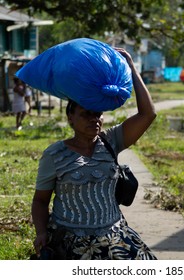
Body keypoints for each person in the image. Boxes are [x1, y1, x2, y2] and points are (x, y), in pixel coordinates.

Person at [31, 48, 157, 260]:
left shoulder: (111, 141)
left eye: (97, 114)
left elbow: (148, 114)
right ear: (70, 118)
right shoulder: (54, 155)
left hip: (115, 238)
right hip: (70, 243)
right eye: (86, 114)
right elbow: (40, 201)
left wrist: (133, 69)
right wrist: (41, 233)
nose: (94, 120)